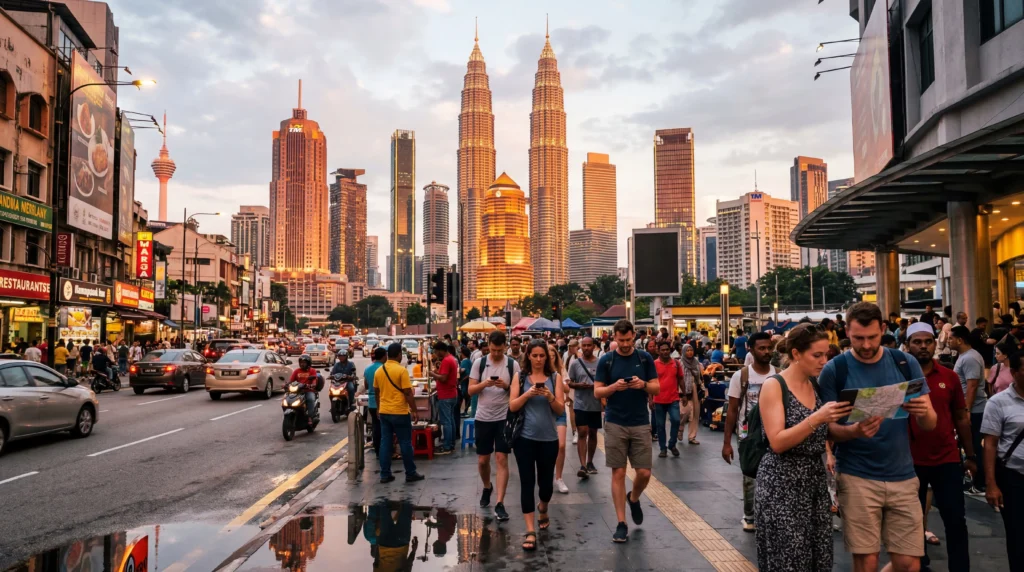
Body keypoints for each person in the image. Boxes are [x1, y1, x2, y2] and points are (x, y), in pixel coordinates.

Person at [817, 302, 937, 572]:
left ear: (883, 329)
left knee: (909, 562)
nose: (867, 344)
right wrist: (854, 431)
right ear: (846, 331)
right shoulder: (835, 370)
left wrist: (923, 412)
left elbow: (931, 423)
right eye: (858, 338)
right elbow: (829, 428)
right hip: (857, 476)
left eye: (872, 337)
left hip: (903, 475)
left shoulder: (904, 362)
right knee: (866, 560)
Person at [755, 324, 849, 571]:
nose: (823, 361)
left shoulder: (815, 384)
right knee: (789, 558)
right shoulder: (775, 385)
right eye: (816, 355)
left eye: (826, 354)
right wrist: (817, 417)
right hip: (782, 482)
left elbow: (824, 433)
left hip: (814, 481)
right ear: (796, 354)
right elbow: (777, 442)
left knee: (819, 556)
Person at [904, 322, 974, 571]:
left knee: (955, 520)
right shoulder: (899, 379)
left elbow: (961, 417)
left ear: (935, 344)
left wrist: (971, 454)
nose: (923, 346)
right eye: (917, 342)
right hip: (909, 462)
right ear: (907, 345)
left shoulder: (950, 376)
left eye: (928, 341)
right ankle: (919, 564)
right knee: (912, 523)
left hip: (946, 460)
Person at [594, 319, 660, 543]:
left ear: (634, 336)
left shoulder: (644, 358)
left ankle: (634, 497)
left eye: (628, 339)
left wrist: (643, 385)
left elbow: (656, 388)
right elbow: (597, 392)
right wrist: (613, 388)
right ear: (614, 337)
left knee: (644, 473)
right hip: (615, 422)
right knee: (618, 473)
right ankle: (621, 522)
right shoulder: (607, 360)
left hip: (641, 421)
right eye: (620, 340)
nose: (624, 344)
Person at [509, 339, 564, 551]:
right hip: (524, 438)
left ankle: (544, 506)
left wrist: (550, 396)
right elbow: (512, 405)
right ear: (528, 356)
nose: (539, 359)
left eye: (542, 356)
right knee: (526, 483)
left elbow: (560, 410)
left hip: (549, 439)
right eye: (535, 356)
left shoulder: (555, 377)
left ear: (547, 357)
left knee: (546, 485)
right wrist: (527, 394)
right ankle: (530, 529)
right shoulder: (520, 377)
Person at [722, 332, 777, 532]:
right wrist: (727, 442)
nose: (766, 352)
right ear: (751, 350)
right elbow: (732, 410)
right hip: (747, 433)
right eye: (761, 348)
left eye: (769, 348)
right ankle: (750, 515)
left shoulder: (778, 374)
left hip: (773, 432)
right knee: (750, 475)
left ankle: (769, 514)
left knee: (773, 475)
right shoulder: (742, 376)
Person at [468, 330, 520, 522]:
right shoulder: (479, 363)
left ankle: (500, 502)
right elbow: (471, 390)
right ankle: (487, 486)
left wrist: (505, 386)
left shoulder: (512, 364)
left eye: (499, 350)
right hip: (483, 417)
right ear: (488, 346)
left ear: (505, 347)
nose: (496, 353)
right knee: (483, 460)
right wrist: (485, 384)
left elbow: (517, 390)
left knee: (501, 458)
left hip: (504, 417)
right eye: (493, 350)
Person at [981, 349, 1024, 571]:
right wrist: (991, 484)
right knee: (1018, 537)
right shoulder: (998, 403)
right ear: (1015, 372)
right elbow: (990, 444)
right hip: (1013, 478)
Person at [373, 343, 424, 484]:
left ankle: (385, 474)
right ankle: (410, 473)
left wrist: (378, 408)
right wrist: (414, 410)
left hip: (384, 412)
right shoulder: (401, 371)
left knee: (385, 443)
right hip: (400, 412)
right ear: (399, 355)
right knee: (405, 443)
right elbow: (408, 392)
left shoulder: (379, 370)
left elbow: (376, 392)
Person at [950, 324, 989, 495]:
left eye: (951, 338)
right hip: (969, 409)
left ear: (960, 340)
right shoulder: (964, 356)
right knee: (970, 446)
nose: (948, 340)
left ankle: (980, 483)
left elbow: (972, 386)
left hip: (975, 410)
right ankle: (974, 479)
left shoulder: (970, 358)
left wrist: (966, 411)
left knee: (975, 447)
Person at [568, 336, 601, 479]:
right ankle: (582, 465)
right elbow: (570, 382)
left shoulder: (600, 363)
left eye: (589, 345)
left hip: (595, 404)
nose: (586, 348)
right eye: (584, 345)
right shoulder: (575, 363)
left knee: (593, 433)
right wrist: (578, 385)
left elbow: (604, 382)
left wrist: (595, 386)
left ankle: (590, 461)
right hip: (580, 403)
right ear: (581, 347)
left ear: (594, 346)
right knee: (583, 431)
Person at [652, 340, 683, 457]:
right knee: (660, 425)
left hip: (673, 398)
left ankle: (672, 443)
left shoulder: (676, 363)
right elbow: (651, 381)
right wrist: (650, 399)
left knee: (676, 420)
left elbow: (680, 379)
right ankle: (662, 448)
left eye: (667, 350)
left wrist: (684, 394)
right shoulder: (654, 364)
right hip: (658, 399)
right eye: (663, 350)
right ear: (658, 351)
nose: (665, 352)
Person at [547, 343, 571, 494]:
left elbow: (568, 388)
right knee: (547, 446)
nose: (550, 359)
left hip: (560, 410)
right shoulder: (539, 372)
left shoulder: (560, 370)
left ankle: (559, 477)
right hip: (544, 412)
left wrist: (559, 382)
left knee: (561, 445)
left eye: (552, 356)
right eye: (547, 356)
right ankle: (547, 475)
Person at [429, 342, 459, 454]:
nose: (436, 354)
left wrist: (432, 374)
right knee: (450, 420)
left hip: (446, 395)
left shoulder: (446, 361)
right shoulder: (451, 359)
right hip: (451, 394)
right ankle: (450, 444)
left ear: (441, 350)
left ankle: (447, 446)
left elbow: (443, 379)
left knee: (446, 421)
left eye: (436, 352)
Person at [361, 347, 386, 456]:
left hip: (371, 403)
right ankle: (384, 450)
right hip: (383, 401)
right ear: (384, 356)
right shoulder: (384, 368)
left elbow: (366, 386)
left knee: (376, 426)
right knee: (385, 427)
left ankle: (377, 450)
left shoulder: (367, 368)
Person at [678, 344, 703, 445]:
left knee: (695, 413)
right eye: (687, 350)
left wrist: (701, 387)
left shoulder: (696, 362)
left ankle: (692, 436)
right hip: (683, 389)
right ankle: (680, 428)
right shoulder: (680, 363)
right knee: (684, 412)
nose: (690, 352)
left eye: (691, 350)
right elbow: (678, 378)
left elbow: (699, 376)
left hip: (694, 388)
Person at [288, 355, 322, 428]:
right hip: (298, 391)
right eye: (301, 362)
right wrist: (286, 385)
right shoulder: (296, 371)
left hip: (308, 390)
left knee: (310, 399)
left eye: (304, 362)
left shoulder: (312, 371)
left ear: (308, 363)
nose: (302, 364)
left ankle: (310, 417)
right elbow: (291, 381)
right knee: (288, 399)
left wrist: (312, 385)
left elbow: (314, 380)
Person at [458, 345, 473, 417]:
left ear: (463, 354)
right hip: (466, 383)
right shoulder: (468, 361)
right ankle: (465, 411)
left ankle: (465, 411)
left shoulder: (465, 362)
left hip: (465, 383)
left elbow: (466, 372)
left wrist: (461, 380)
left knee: (465, 397)